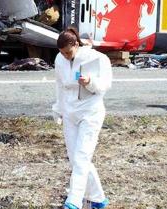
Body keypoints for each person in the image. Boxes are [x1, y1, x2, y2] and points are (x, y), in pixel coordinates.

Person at [53, 27, 112, 209]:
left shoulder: (98, 58)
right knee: (74, 157)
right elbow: (59, 85)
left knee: (82, 156)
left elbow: (105, 85)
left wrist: (90, 82)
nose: (65, 57)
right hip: (70, 111)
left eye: (68, 52)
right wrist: (58, 108)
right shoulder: (59, 59)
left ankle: (74, 201)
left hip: (90, 111)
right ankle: (98, 198)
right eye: (62, 53)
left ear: (76, 45)